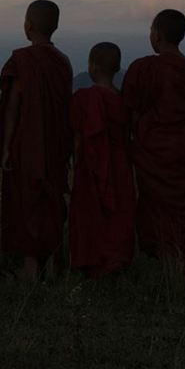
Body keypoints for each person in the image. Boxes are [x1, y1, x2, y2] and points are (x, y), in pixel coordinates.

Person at [0, 0, 73, 281]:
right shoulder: (62, 62)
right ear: (55, 27)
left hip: (26, 143)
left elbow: (13, 106)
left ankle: (29, 268)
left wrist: (5, 146)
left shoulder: (21, 61)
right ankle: (52, 265)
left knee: (27, 201)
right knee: (51, 200)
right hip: (55, 144)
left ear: (27, 26)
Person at [122, 9, 185, 278]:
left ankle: (166, 261)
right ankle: (181, 264)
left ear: (156, 36)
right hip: (183, 148)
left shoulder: (144, 69)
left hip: (153, 149)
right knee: (182, 208)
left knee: (153, 204)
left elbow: (130, 108)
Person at [69, 42, 135, 278]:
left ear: (92, 67)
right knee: (119, 212)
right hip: (121, 166)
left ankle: (92, 260)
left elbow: (78, 138)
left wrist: (76, 163)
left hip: (91, 164)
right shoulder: (124, 101)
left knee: (91, 212)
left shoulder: (84, 98)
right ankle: (116, 260)